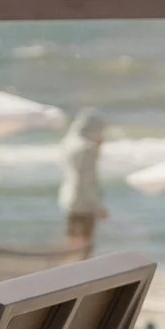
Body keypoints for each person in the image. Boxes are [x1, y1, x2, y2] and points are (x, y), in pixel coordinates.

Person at [60, 109, 107, 254]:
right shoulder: (87, 148)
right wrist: (97, 205)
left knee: (72, 240)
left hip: (69, 198)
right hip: (85, 202)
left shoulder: (68, 144)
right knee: (85, 244)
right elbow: (86, 179)